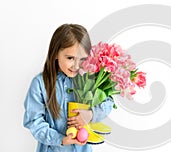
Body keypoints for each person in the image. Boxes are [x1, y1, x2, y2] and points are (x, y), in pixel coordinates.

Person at [23, 24, 114, 152]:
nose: (76, 65)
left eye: (82, 59)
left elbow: (108, 102)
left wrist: (91, 114)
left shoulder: (89, 78)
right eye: (70, 58)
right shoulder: (40, 84)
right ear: (55, 54)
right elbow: (34, 121)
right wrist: (60, 139)